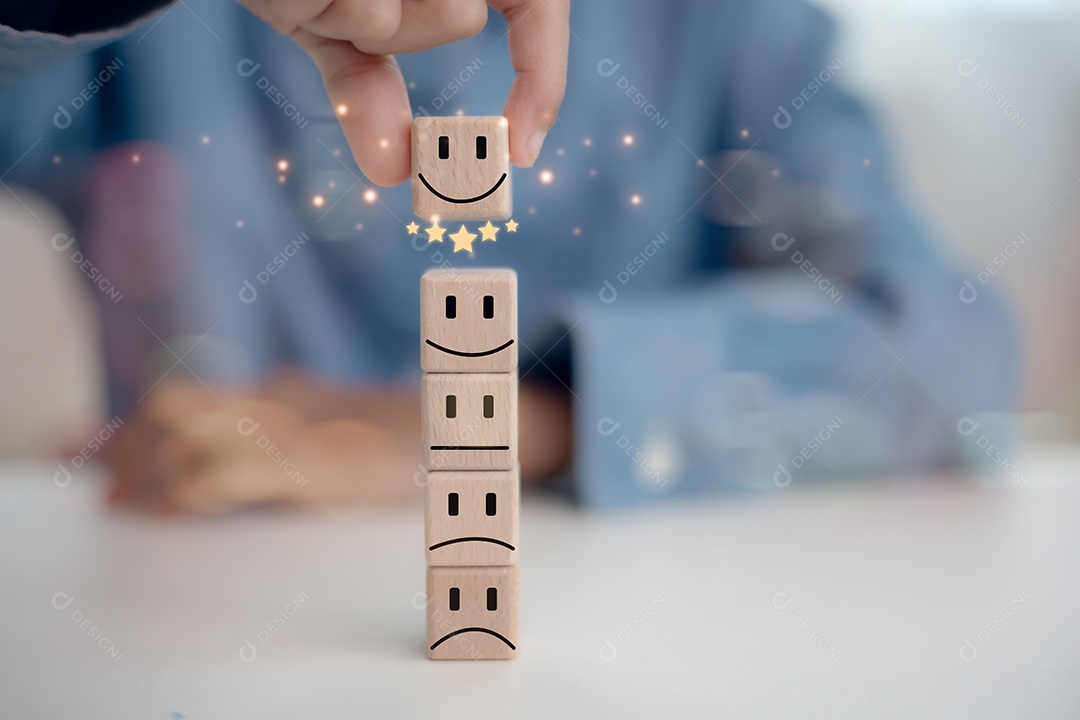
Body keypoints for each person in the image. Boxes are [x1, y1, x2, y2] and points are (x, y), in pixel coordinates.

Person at [0, 0, 1015, 512]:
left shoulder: (729, 29)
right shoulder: (149, 27)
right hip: (194, 625)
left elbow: (952, 355)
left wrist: (484, 428)